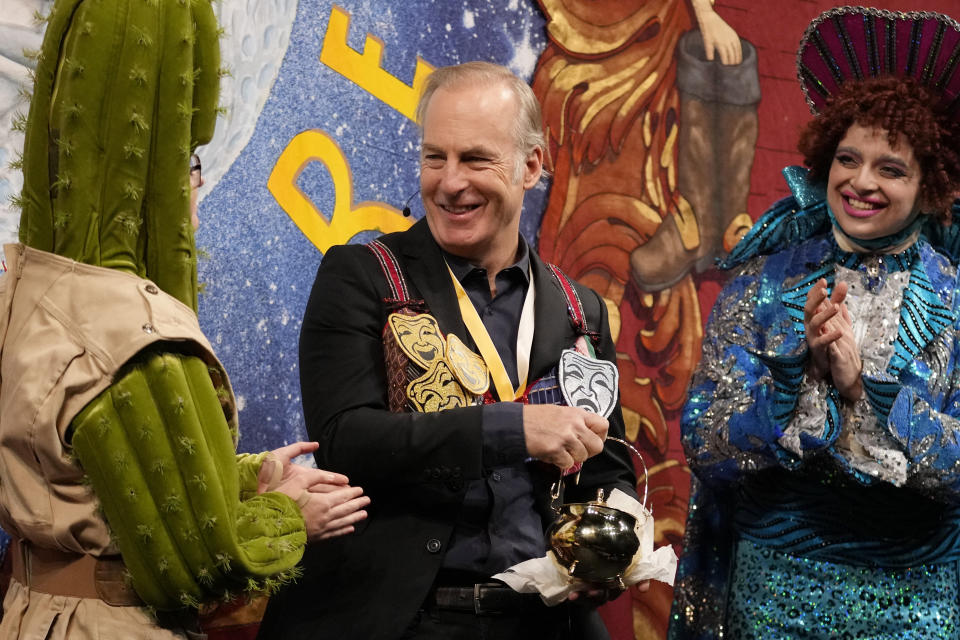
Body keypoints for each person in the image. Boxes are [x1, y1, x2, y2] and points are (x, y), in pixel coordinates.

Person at [0, 0, 368, 637]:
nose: (194, 183)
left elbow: (96, 488)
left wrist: (242, 476)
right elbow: (198, 565)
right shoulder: (127, 329)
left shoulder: (31, 283)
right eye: (187, 160)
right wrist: (287, 514)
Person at [257, 61, 637, 640]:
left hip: (541, 622)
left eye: (476, 159)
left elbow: (606, 462)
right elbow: (347, 441)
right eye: (435, 157)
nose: (449, 182)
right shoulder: (362, 276)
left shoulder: (579, 309)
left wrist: (611, 534)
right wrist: (511, 429)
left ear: (531, 165)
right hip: (402, 617)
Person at [669, 6, 960, 640]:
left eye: (891, 168)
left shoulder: (955, 301)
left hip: (916, 603)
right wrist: (785, 383)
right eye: (848, 159)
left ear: (928, 184)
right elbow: (704, 443)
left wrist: (866, 391)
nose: (861, 183)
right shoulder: (763, 283)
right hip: (771, 594)